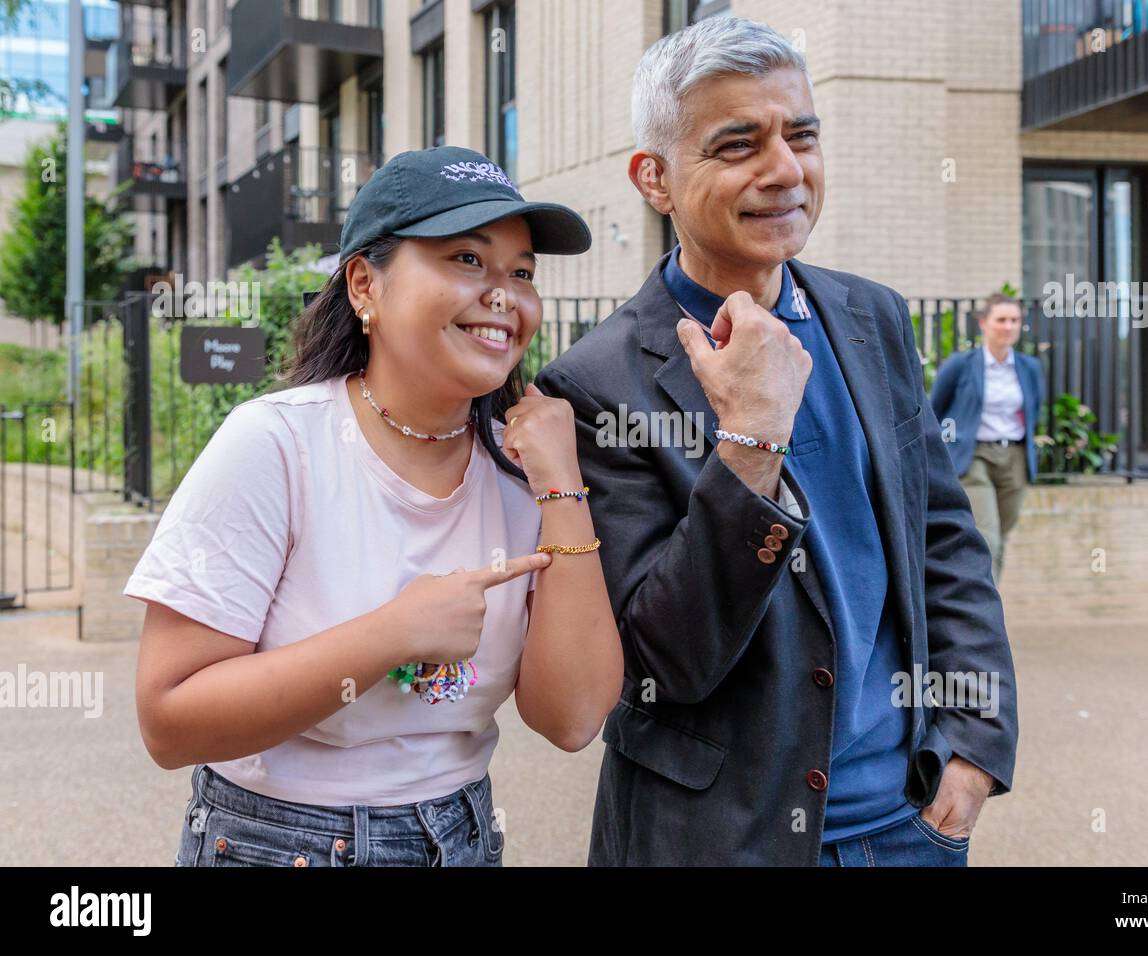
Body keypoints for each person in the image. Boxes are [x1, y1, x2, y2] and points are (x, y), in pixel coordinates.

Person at [535, 16, 1018, 867]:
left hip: (911, 825)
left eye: (802, 134)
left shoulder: (870, 316)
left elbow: (944, 539)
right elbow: (661, 661)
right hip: (719, 841)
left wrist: (975, 744)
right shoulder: (592, 384)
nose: (786, 170)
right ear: (655, 178)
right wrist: (749, 442)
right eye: (737, 145)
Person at [125, 146, 623, 867]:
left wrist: (564, 486)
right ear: (365, 285)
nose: (503, 295)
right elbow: (169, 723)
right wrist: (394, 633)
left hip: (461, 837)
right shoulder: (277, 445)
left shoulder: (523, 475)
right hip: (277, 844)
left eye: (521, 272)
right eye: (465, 260)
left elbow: (573, 719)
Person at [930, 294, 1046, 586]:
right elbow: (936, 410)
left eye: (1015, 320)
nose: (1008, 327)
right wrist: (946, 449)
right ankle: (984, 620)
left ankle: (990, 605)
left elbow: (1035, 409)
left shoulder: (1029, 368)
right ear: (984, 323)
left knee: (1002, 537)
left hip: (1015, 458)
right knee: (987, 535)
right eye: (1001, 320)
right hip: (975, 457)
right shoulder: (962, 364)